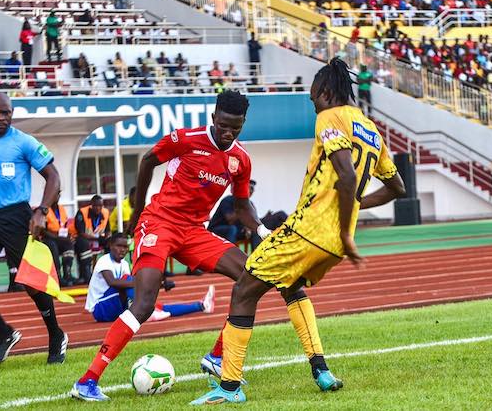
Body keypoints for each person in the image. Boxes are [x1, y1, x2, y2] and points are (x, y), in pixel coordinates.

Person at [191, 58, 406, 405]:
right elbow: (397, 187)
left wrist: (347, 227)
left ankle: (228, 386)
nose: (313, 106)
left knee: (244, 289)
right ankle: (320, 370)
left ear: (324, 92)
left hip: (309, 231)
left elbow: (347, 176)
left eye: (312, 99)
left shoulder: (329, 117)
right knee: (289, 285)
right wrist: (349, 220)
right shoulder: (370, 129)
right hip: (333, 242)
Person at [71, 90, 275, 401]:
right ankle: (87, 381)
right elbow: (146, 161)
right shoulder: (185, 139)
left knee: (253, 277)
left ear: (243, 123)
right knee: (143, 304)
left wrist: (261, 229)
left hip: (194, 232)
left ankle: (218, 357)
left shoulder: (241, 160)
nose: (227, 132)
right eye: (222, 125)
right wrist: (138, 214)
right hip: (160, 223)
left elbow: (243, 204)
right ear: (213, 118)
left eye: (235, 127)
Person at [0, 92, 68, 366]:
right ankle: (4, 332)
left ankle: (56, 335)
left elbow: (53, 176)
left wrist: (42, 211)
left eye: (6, 113)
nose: (1, 118)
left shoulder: (23, 142)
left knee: (32, 284)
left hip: (17, 218)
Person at [85, 233, 215, 323]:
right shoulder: (104, 260)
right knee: (130, 280)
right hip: (100, 308)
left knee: (161, 307)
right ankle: (148, 310)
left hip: (116, 303)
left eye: (125, 247)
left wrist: (161, 284)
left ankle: (201, 306)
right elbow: (113, 282)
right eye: (119, 246)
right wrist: (144, 284)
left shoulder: (124, 264)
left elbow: (134, 284)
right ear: (110, 246)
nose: (123, 250)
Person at [208, 180, 262, 250]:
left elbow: (252, 221)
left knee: (255, 231)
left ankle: (257, 257)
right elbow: (230, 220)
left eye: (252, 189)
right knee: (232, 229)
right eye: (249, 188)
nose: (251, 191)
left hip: (236, 231)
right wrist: (242, 209)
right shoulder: (228, 199)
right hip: (216, 230)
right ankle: (230, 255)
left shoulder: (250, 204)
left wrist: (248, 228)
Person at [69, 195, 110, 284]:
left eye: (100, 206)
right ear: (91, 205)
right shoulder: (82, 212)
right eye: (96, 206)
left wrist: (107, 238)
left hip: (97, 239)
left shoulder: (105, 213)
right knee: (83, 243)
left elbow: (108, 231)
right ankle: (86, 275)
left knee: (110, 243)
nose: (98, 208)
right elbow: (81, 233)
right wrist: (97, 238)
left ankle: (109, 271)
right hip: (79, 239)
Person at [43, 194, 75, 286]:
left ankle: (67, 273)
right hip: (48, 238)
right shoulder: (45, 210)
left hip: (61, 237)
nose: (55, 197)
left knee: (69, 244)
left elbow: (64, 224)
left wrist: (67, 236)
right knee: (53, 246)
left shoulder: (61, 209)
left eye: (57, 195)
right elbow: (43, 231)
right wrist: (57, 237)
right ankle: (57, 276)